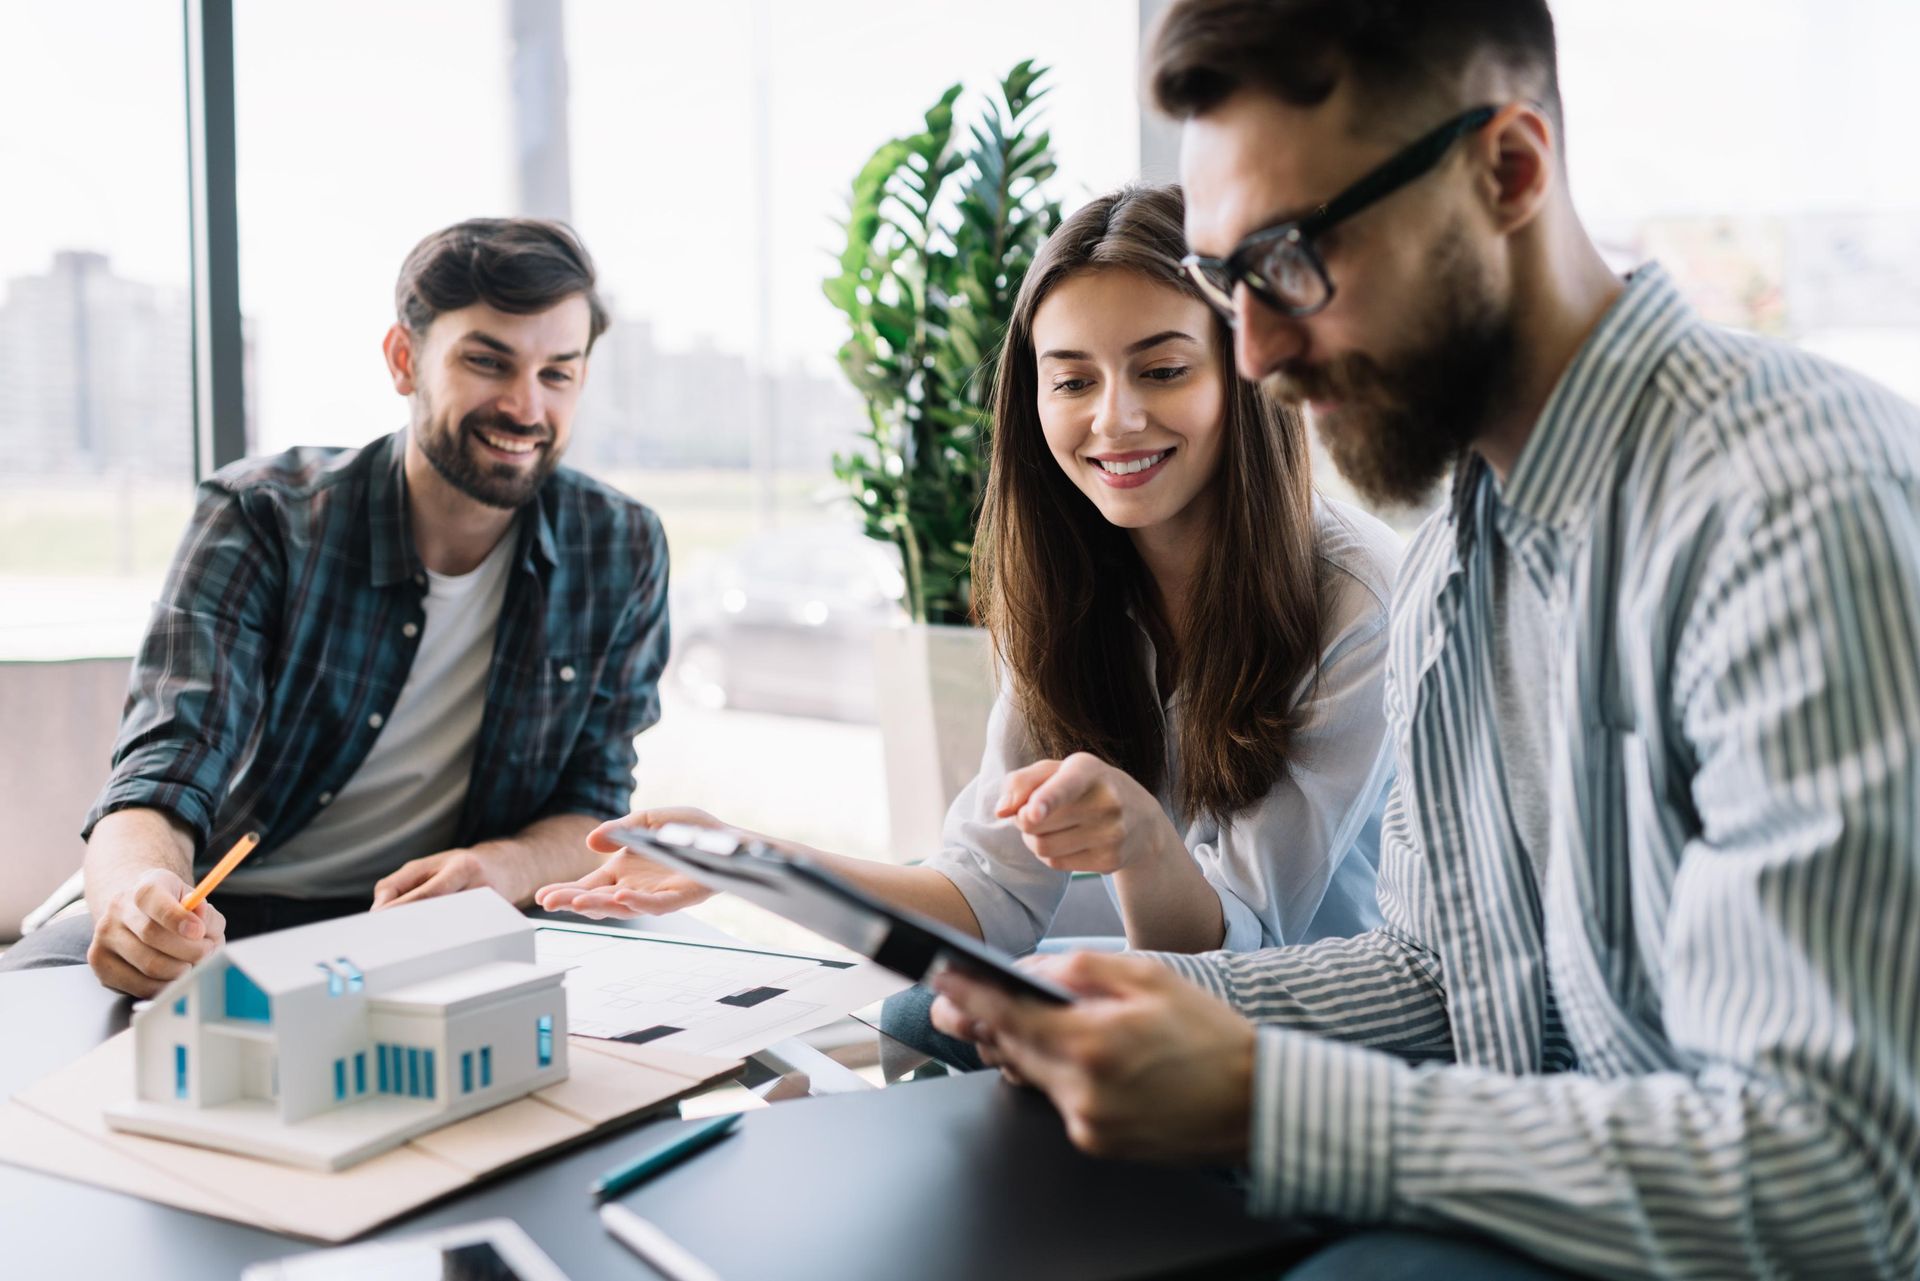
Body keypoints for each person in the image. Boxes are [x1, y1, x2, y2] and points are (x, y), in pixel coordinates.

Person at [927, 2, 1920, 1278]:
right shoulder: (1461, 539)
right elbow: (1446, 973)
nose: (1261, 354)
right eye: (1232, 284)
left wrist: (1259, 1099)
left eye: (1291, 259)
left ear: (1507, 170)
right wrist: (1159, 1005)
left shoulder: (1792, 509)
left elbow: (1839, 1177)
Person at [539, 184, 1401, 970]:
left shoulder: (1354, 597)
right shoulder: (1074, 587)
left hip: (1312, 1025)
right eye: (1071, 380)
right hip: (1173, 1002)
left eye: (1163, 370)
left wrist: (1142, 842)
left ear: (1243, 377)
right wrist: (750, 862)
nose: (1115, 418)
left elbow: (1236, 951)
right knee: (927, 1011)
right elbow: (986, 897)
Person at [0, 218, 671, 999]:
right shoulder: (262, 517)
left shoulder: (619, 547)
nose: (526, 407)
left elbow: (593, 806)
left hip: (436, 928)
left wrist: (504, 867)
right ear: (403, 360)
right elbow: (163, 764)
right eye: (488, 362)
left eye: (558, 373)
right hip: (217, 913)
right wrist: (133, 893)